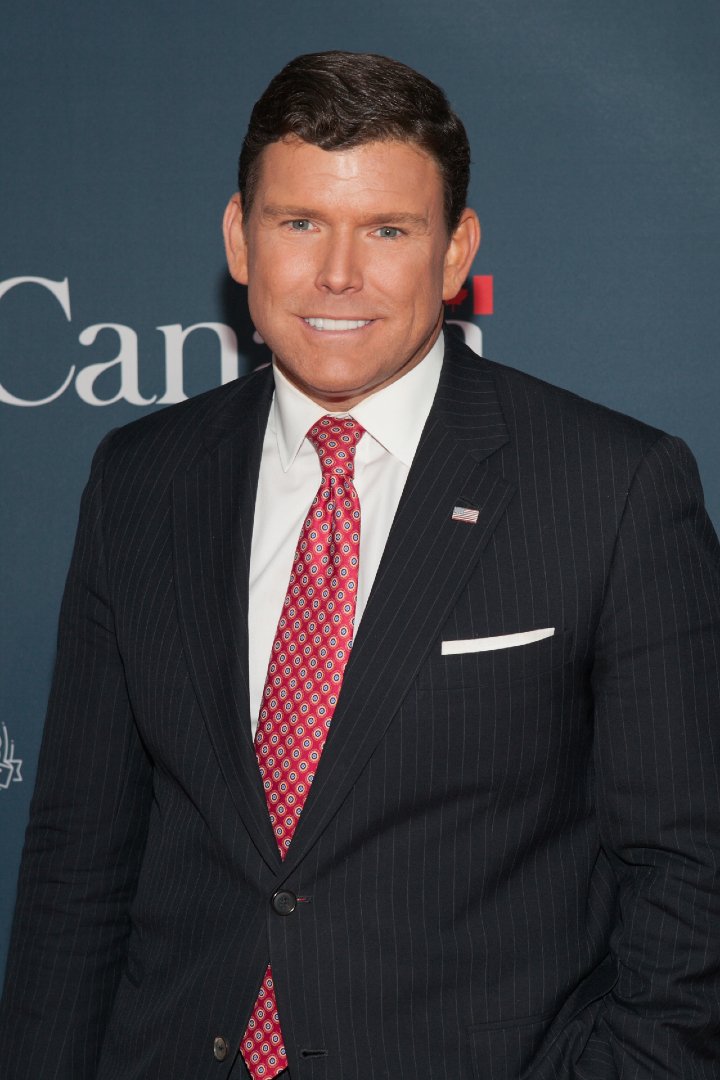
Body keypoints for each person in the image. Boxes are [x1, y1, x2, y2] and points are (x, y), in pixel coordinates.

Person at [1, 50, 719, 1080]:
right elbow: (82, 856)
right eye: (300, 223)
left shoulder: (612, 487)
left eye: (388, 230)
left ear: (454, 249)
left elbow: (690, 870)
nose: (339, 275)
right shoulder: (141, 478)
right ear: (239, 239)